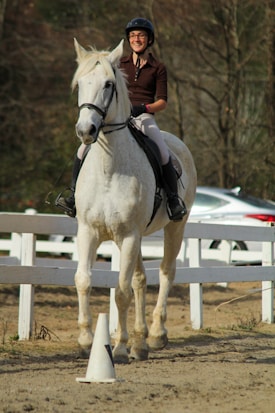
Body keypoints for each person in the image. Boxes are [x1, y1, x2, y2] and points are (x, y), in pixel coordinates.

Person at [56, 17, 186, 221]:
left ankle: (173, 200)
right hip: (117, 116)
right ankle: (73, 196)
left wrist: (143, 107)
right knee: (82, 149)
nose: (137, 39)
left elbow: (162, 102)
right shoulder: (119, 63)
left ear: (149, 40)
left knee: (162, 150)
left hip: (143, 117)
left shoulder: (157, 68)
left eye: (141, 35)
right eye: (133, 36)